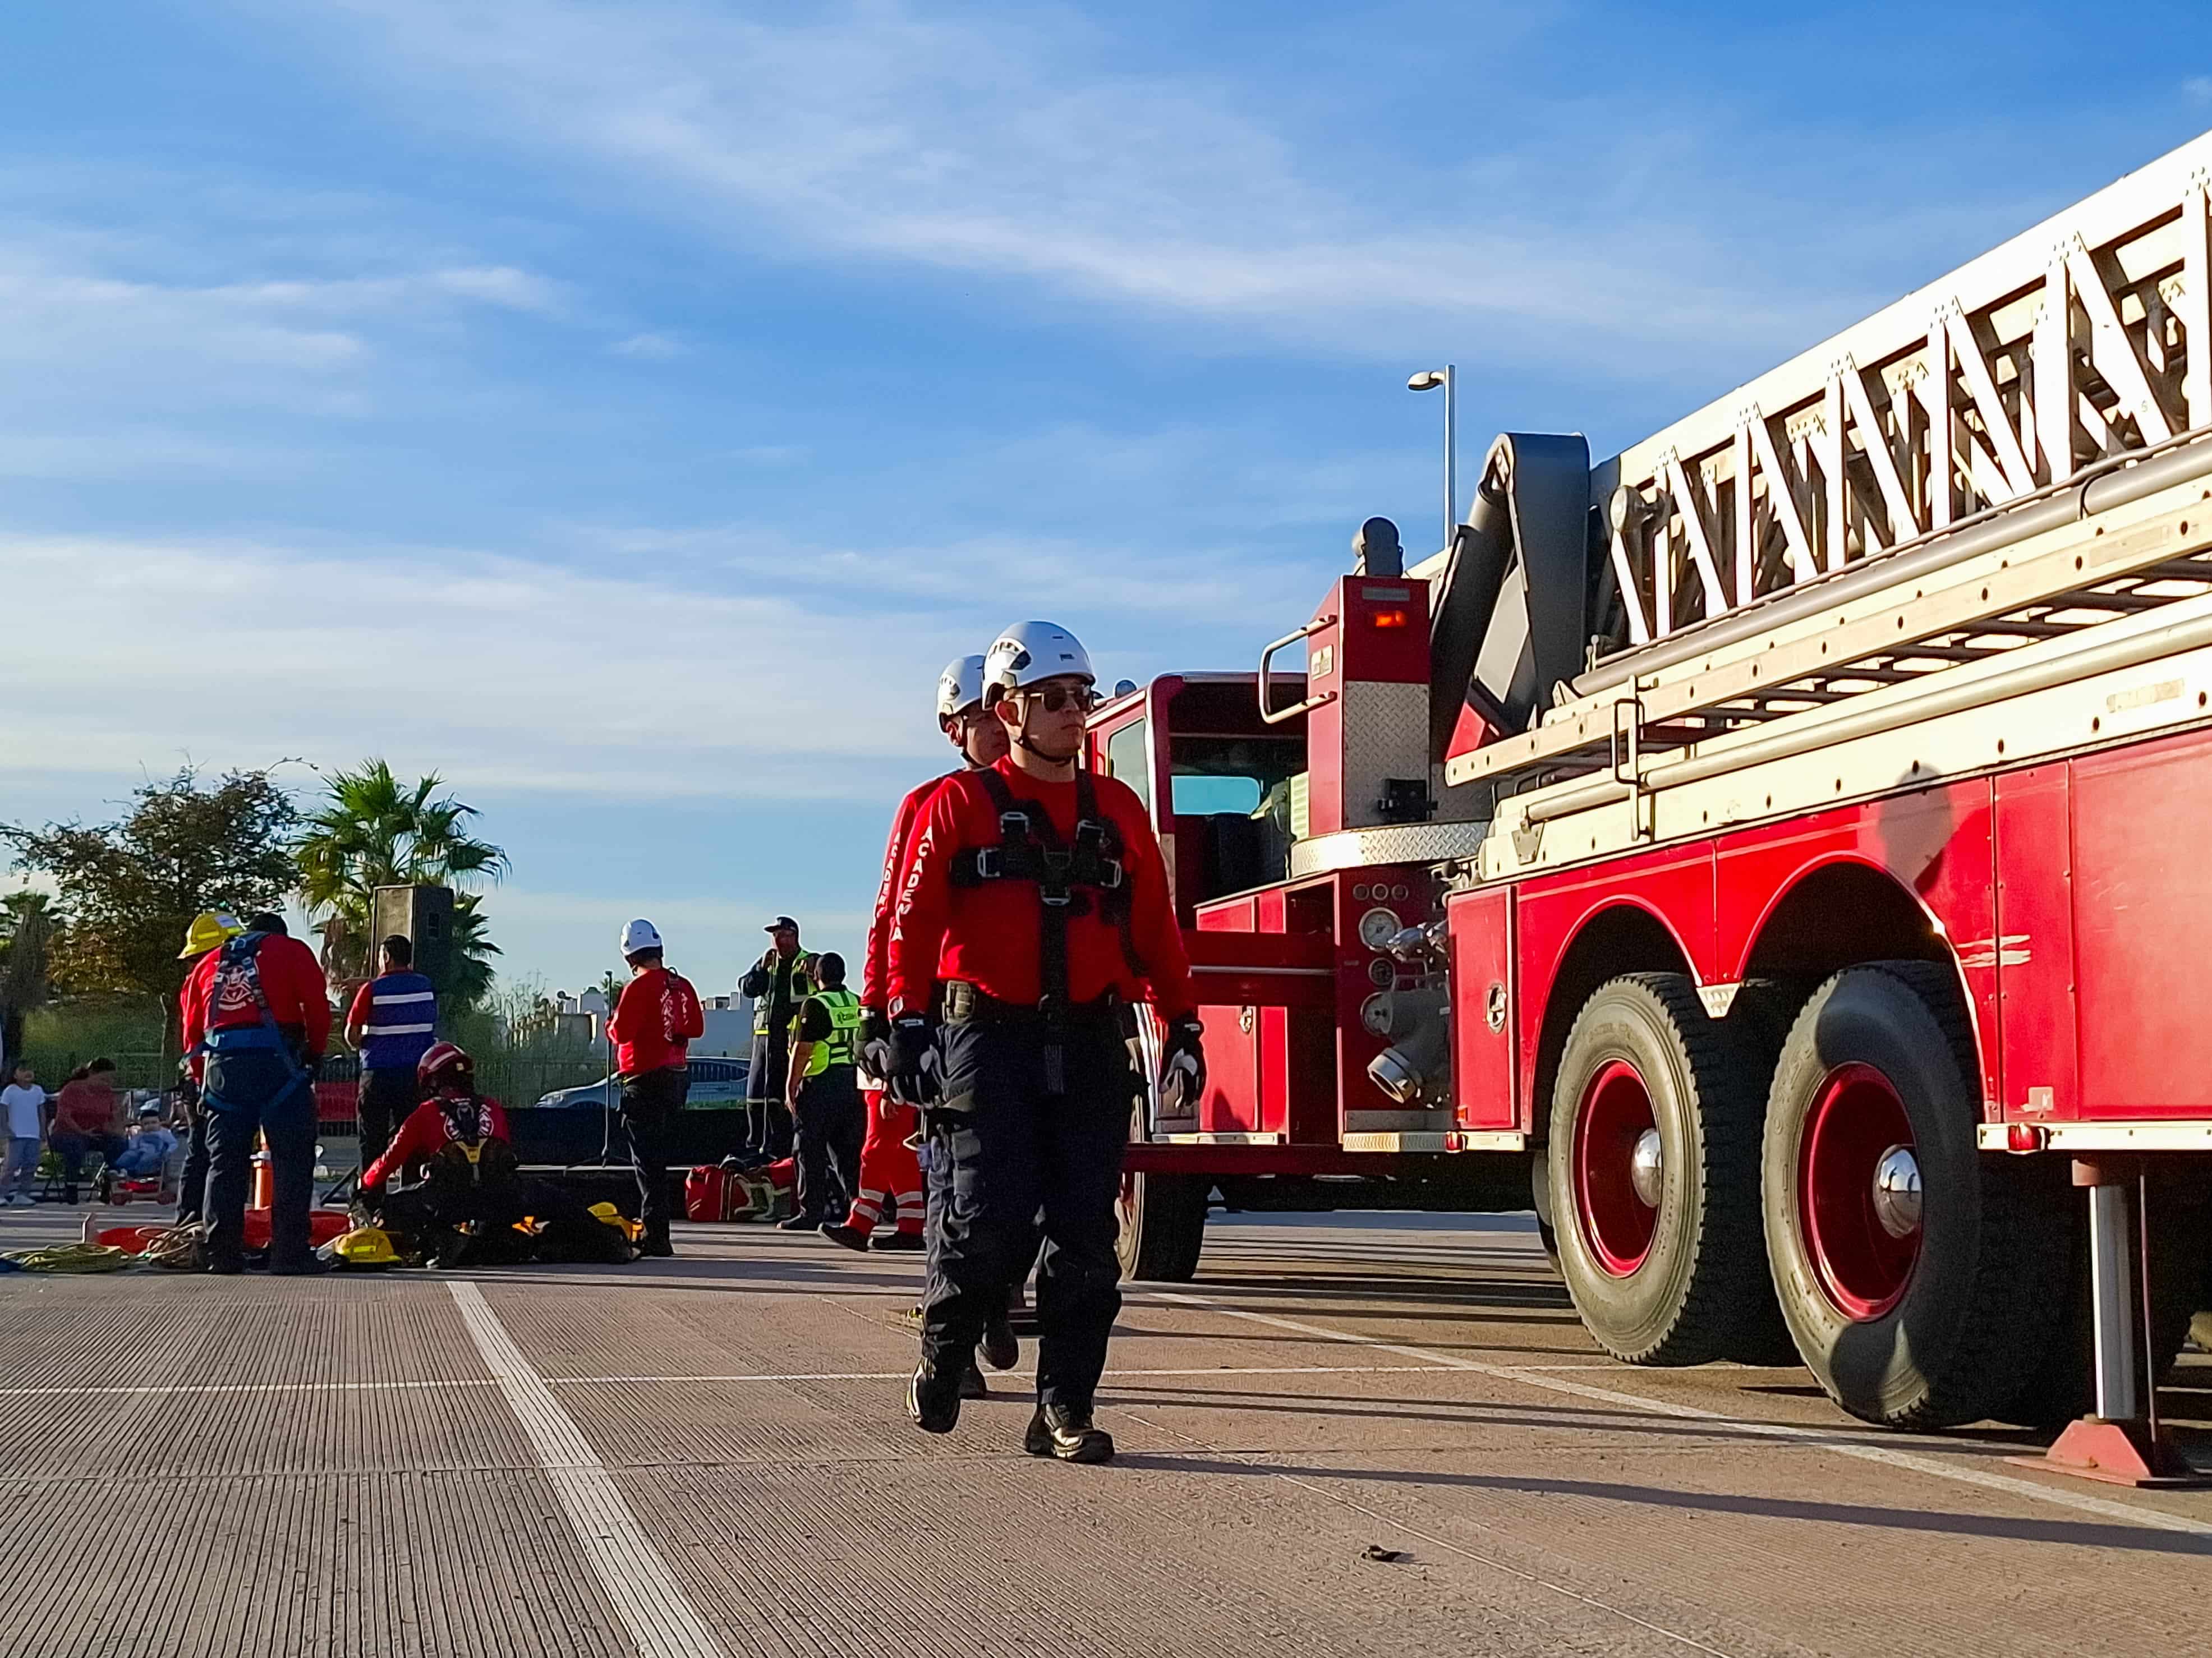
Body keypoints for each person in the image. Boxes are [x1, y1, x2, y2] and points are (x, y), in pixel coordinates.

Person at [886, 620, 1204, 1463]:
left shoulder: (1119, 812)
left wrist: (1185, 1024)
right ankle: (945, 1344)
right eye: (1052, 700)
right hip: (984, 1038)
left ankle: (1063, 1406)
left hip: (1092, 1042)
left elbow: (1155, 932)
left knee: (1085, 1242)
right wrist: (903, 1022)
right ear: (1007, 709)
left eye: (1080, 698)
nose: (1072, 713)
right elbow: (910, 927)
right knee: (984, 1219)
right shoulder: (956, 806)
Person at [832, 653, 1008, 1258]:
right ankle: (958, 1293)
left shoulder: (1067, 797)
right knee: (953, 1160)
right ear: (951, 728)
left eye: (1000, 708)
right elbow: (891, 916)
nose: (997, 725)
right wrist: (878, 1011)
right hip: (948, 1013)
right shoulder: (930, 803)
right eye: (979, 714)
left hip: (1035, 1012)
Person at [182, 912, 332, 1274]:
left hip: (222, 1073)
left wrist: (204, 1084)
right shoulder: (292, 951)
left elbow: (191, 1035)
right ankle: (290, 1253)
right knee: (292, 1161)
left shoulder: (207, 965)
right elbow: (317, 1008)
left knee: (224, 1163)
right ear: (277, 934)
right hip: (279, 1069)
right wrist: (314, 1054)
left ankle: (222, 1253)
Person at [608, 918, 704, 1258]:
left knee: (647, 1163)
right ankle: (658, 1231)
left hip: (643, 1080)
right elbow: (696, 1027)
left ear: (629, 957)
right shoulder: (682, 985)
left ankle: (657, 1236)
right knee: (660, 1158)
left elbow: (622, 1033)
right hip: (676, 1077)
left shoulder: (637, 988)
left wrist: (610, 1025)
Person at [780, 951, 864, 1231]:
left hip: (820, 1084)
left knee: (809, 1150)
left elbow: (803, 1051)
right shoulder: (856, 1002)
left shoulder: (815, 1005)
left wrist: (791, 1086)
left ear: (817, 977)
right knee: (848, 1153)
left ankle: (811, 1212)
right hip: (853, 1084)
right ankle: (858, 1208)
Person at [172, 910, 245, 1226]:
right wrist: (203, 1082)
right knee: (203, 1150)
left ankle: (198, 1219)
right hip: (205, 1077)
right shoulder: (203, 977)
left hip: (209, 1075)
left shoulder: (207, 976)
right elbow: (193, 1036)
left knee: (208, 1150)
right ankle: (190, 1220)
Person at [343, 934, 439, 1171]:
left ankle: (371, 1199)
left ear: (386, 958)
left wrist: (366, 1041)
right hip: (415, 1076)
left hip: (378, 1074)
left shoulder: (371, 990)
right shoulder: (426, 986)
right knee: (414, 1139)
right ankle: (413, 1196)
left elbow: (351, 1035)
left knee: (372, 1140)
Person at [738, 917, 817, 1163]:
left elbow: (826, 983)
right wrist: (761, 969)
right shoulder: (767, 964)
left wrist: (815, 969)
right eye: (774, 935)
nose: (776, 940)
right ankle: (756, 1148)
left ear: (793, 936)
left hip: (794, 1042)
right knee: (756, 1096)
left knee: (786, 1098)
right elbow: (747, 988)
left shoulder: (808, 962)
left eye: (782, 935)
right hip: (765, 1042)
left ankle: (786, 1150)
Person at [49, 1058, 127, 1204]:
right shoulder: (73, 1089)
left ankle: (109, 1178)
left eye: (111, 1079)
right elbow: (65, 1116)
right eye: (104, 1078)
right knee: (75, 1146)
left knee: (118, 1144)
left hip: (95, 1134)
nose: (108, 1082)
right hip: (67, 1133)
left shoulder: (106, 1092)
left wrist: (118, 1129)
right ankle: (71, 1186)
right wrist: (82, 1131)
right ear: (92, 1073)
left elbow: (111, 1115)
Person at [1, 1061, 46, 1207]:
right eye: (23, 1070)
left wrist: (42, 1129)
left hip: (33, 1135)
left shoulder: (38, 1090)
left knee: (30, 1165)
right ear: (15, 1074)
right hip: (16, 1134)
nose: (28, 1073)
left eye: (30, 1070)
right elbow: (3, 1110)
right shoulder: (10, 1091)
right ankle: (2, 1193)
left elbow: (41, 1111)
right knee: (11, 1165)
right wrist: (5, 1128)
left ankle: (23, 1194)